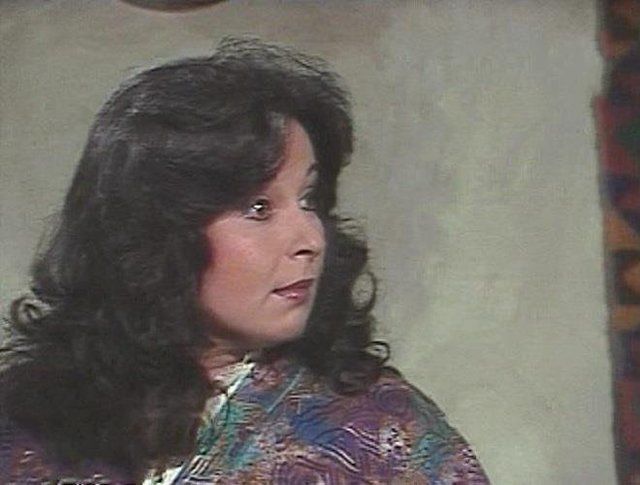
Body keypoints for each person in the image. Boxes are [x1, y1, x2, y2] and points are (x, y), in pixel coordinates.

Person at [0, 37, 489, 484]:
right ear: (156, 232)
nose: (311, 238)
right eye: (259, 208)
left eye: (309, 199)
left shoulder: (387, 434)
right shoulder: (26, 422)